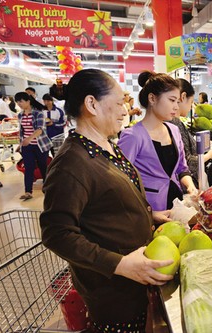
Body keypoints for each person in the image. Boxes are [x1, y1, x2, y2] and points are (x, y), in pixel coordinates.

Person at [40, 69, 174, 332]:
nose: (126, 110)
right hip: (111, 290)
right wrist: (120, 264)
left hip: (134, 279)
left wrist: (151, 216)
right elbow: (56, 233)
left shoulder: (106, 146)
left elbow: (108, 204)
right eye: (118, 103)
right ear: (92, 104)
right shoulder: (71, 163)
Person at [118, 71, 197, 211]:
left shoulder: (174, 130)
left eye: (178, 102)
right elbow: (122, 182)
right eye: (172, 100)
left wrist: (190, 185)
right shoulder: (132, 136)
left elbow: (182, 169)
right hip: (147, 210)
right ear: (152, 99)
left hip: (176, 205)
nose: (176, 107)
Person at [169, 79, 212, 186]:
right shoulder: (174, 124)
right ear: (183, 97)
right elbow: (185, 161)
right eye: (191, 102)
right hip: (185, 184)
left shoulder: (174, 122)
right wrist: (209, 155)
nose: (191, 107)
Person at [15, 92, 51, 201]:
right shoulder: (20, 115)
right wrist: (21, 144)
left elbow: (40, 130)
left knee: (43, 167)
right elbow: (22, 131)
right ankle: (28, 192)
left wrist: (29, 139)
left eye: (21, 101)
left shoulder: (38, 114)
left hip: (40, 145)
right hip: (27, 147)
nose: (19, 104)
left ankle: (48, 188)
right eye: (17, 102)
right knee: (28, 168)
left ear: (28, 101)